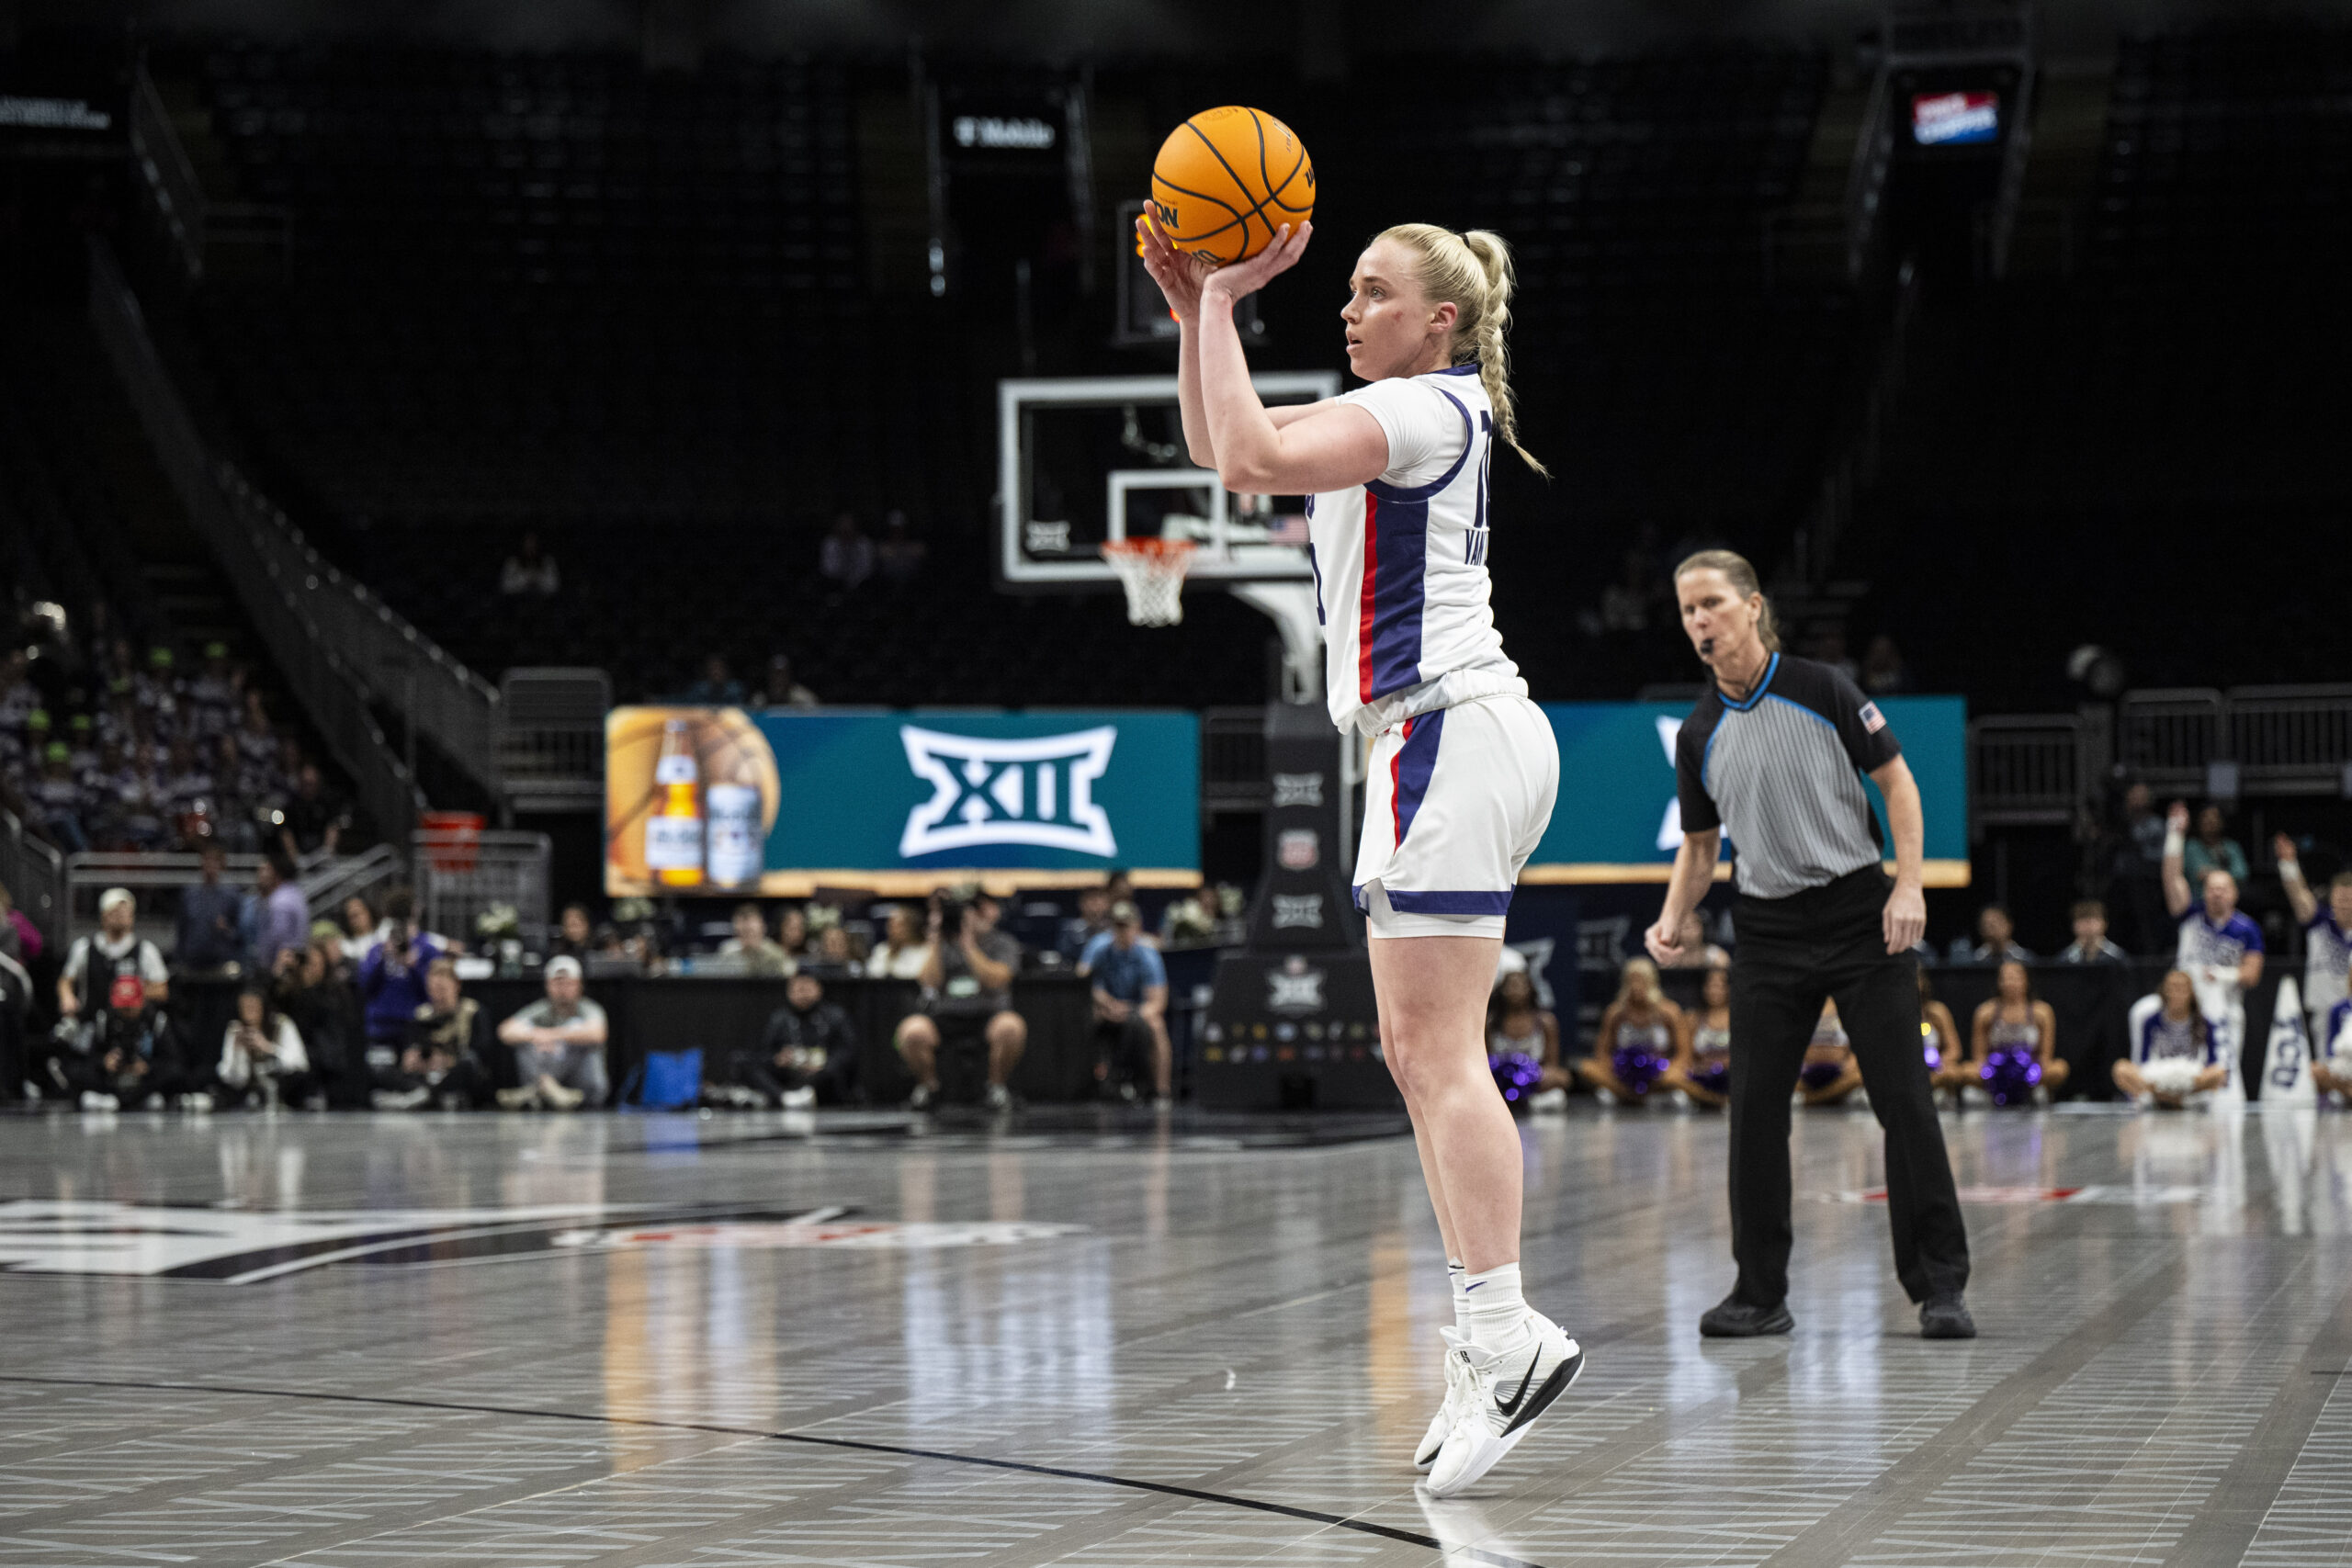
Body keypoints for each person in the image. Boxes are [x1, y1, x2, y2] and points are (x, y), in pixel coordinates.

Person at [1138, 204, 1577, 1497]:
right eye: (1346, 289)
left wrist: (1223, 302)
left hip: (1450, 728)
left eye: (1371, 290)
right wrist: (1193, 315)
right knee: (1416, 1051)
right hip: (1434, 737)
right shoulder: (1410, 412)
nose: (1347, 306)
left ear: (1439, 319)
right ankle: (1487, 1328)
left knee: (1438, 1054)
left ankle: (1506, 1332)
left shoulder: (1431, 408)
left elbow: (1260, 454)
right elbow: (1232, 455)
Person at [1646, 547, 1973, 1343]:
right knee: (1754, 1113)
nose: (1700, 622)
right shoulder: (1698, 733)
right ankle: (1759, 1293)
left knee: (1904, 1101)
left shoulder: (1824, 689)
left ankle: (1938, 1287)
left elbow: (1897, 782)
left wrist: (1908, 885)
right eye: (1688, 610)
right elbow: (1698, 846)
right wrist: (1672, 917)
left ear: (1753, 607)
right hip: (1766, 927)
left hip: (1862, 911)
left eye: (1713, 604)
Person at [895, 893, 1027, 1111]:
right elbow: (928, 981)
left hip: (988, 1013)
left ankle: (996, 1088)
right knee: (911, 1031)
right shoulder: (943, 943)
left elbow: (997, 980)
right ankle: (929, 1089)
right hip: (946, 1015)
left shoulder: (1002, 943)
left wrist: (969, 947)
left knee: (1011, 1026)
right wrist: (936, 941)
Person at [2163, 801, 2264, 1029]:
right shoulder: (2190, 915)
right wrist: (2174, 834)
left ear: (2235, 894)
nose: (2217, 893)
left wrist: (2221, 975)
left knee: (2219, 1008)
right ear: (2204, 893)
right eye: (2212, 888)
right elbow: (2172, 880)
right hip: (2184, 1000)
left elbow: (2252, 974)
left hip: (2226, 1002)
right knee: (2141, 1012)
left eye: (2223, 889)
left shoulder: (2247, 928)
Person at [1080, 900, 1170, 1104]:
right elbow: (1083, 983)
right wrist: (1106, 1004)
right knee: (1085, 1017)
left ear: (1137, 927)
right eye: (1118, 926)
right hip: (1105, 1012)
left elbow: (1158, 1001)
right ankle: (1087, 1086)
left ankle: (1161, 1091)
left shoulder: (1148, 955)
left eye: (1126, 926)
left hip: (1137, 1012)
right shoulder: (1099, 948)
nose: (1122, 932)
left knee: (1156, 1025)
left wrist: (1132, 1012)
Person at [377, 957, 494, 1111]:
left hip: (455, 1073)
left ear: (456, 985)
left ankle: (423, 1096)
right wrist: (413, 1058)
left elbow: (481, 1051)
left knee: (469, 1065)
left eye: (442, 989)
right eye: (433, 989)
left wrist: (449, 1061)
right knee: (381, 1068)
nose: (437, 996)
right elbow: (409, 1049)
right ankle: (427, 1095)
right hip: (425, 1075)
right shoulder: (421, 1015)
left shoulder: (472, 1011)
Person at [495, 956, 609, 1110]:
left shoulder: (589, 1008)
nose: (563, 989)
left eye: (568, 983)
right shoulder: (541, 1009)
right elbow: (505, 1031)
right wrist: (535, 1035)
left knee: (578, 1029)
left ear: (579, 985)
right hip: (550, 1073)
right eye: (557, 983)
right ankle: (545, 1088)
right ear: (547, 985)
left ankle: (549, 1092)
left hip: (584, 1087)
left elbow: (598, 1034)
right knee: (525, 1034)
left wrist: (552, 1035)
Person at [1576, 958, 1695, 1104]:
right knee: (1586, 1068)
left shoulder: (1670, 1011)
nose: (1636, 986)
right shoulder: (1615, 1013)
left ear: (1652, 982)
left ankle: (1627, 1096)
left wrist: (1669, 1069)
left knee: (1677, 1076)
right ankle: (1637, 1097)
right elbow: (1602, 1052)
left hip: (1658, 1073)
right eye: (1632, 981)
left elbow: (1684, 1054)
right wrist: (1617, 1069)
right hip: (1624, 1073)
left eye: (1642, 981)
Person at [357, 889, 444, 1078]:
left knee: (414, 1073)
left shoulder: (427, 949)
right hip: (381, 1025)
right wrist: (383, 959)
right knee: (379, 1075)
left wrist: (412, 966)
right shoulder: (377, 949)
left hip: (415, 1026)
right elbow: (365, 988)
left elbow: (434, 994)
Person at [745, 972, 861, 1108]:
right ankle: (784, 1098)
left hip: (821, 1077)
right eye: (798, 990)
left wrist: (824, 1065)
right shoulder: (780, 1019)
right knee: (743, 1061)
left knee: (835, 1072)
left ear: (818, 989)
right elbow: (765, 1052)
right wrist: (778, 1058)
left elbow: (847, 1050)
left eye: (807, 989)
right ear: (789, 992)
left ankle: (803, 1096)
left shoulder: (835, 1016)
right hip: (789, 1074)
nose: (803, 995)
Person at [1959, 960, 2066, 1105]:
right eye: (2006, 978)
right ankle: (1991, 1092)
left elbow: (2046, 1055)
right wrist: (1989, 1071)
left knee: (2060, 1068)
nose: (2011, 983)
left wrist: (2034, 1071)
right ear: (1999, 982)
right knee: (1966, 1070)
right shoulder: (1985, 1012)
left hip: (2029, 1070)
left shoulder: (2042, 1012)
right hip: (1995, 1070)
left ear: (2026, 981)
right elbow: (1979, 1055)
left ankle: (2033, 1091)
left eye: (2016, 977)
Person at [2116, 969, 2228, 1107]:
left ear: (2191, 993)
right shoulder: (2151, 1021)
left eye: (2182, 989)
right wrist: (2155, 1077)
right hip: (2159, 1076)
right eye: (2172, 988)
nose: (2177, 994)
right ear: (2164, 991)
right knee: (2121, 1068)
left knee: (2219, 1073)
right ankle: (2174, 1101)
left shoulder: (2204, 1023)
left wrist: (2195, 1076)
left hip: (2190, 1077)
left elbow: (2212, 1062)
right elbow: (2143, 1060)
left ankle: (2166, 1100)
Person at [59, 887, 171, 1022]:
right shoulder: (84, 947)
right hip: (91, 1021)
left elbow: (162, 990)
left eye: (126, 911)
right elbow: (65, 980)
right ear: (104, 915)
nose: (121, 915)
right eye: (115, 911)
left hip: (131, 1024)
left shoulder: (145, 950)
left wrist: (133, 992)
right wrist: (67, 997)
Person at [2275, 836, 2352, 1032]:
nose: (2344, 903)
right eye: (2340, 897)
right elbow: (2299, 896)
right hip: (2324, 1010)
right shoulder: (2319, 922)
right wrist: (2288, 864)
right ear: (2331, 898)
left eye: (2349, 898)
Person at [215, 981, 314, 1110]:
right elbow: (234, 1078)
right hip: (249, 1096)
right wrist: (237, 1051)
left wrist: (268, 1047)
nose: (248, 1012)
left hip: (284, 1089)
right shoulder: (235, 1030)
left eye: (252, 1006)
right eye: (243, 1007)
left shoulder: (282, 1025)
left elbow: (300, 1063)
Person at [1487, 968, 1568, 1110]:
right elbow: (1484, 1061)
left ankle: (1520, 1101)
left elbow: (1552, 1064)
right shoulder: (1490, 1023)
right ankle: (1518, 1101)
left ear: (1530, 988)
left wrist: (1528, 1076)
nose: (1515, 991)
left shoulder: (1546, 1022)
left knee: (1562, 1078)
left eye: (1520, 986)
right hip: (1499, 1079)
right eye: (1510, 986)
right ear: (1502, 990)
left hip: (1533, 1078)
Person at [175, 842, 246, 971]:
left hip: (222, 958)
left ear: (221, 865)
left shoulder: (232, 894)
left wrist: (226, 929)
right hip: (193, 958)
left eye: (214, 862)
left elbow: (240, 932)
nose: (210, 866)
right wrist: (180, 957)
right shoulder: (189, 893)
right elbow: (182, 927)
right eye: (207, 861)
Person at [247, 852, 310, 974]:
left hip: (280, 964)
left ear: (276, 874)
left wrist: (267, 963)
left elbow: (278, 936)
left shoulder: (279, 900)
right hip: (297, 958)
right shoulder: (297, 894)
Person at [1794, 998, 1863, 1106]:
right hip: (1803, 1070)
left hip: (1842, 1072)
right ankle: (1823, 1097)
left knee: (1865, 1069)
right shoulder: (1801, 1001)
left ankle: (1813, 1098)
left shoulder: (1850, 1002)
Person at [1683, 964, 1733, 1106]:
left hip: (1732, 1075)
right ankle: (1714, 1099)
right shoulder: (1692, 1018)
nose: (1714, 991)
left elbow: (1746, 1053)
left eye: (1719, 986)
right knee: (1675, 1078)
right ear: (1703, 988)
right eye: (1710, 986)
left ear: (1728, 989)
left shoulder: (1739, 1018)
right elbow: (1686, 1055)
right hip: (1702, 1076)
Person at [718, 902, 794, 976]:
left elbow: (789, 974)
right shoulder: (727, 951)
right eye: (743, 933)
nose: (748, 938)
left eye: (751, 933)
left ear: (763, 928)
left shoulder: (775, 953)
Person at [2182, 804, 2249, 887]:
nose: (2210, 821)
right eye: (2205, 817)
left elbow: (2241, 873)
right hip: (2199, 896)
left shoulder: (2231, 846)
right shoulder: (2191, 847)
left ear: (2222, 822)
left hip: (2228, 896)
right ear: (2199, 822)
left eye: (2214, 817)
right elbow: (2198, 874)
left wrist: (2211, 872)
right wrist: (2227, 873)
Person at [1917, 968, 1963, 1089]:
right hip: (1906, 1070)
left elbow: (1954, 1050)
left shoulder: (1938, 1012)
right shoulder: (1893, 1014)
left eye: (1915, 979)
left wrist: (1937, 1064)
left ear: (1923, 982)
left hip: (1935, 1070)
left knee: (1952, 1072)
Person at [867, 905, 933, 980]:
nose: (893, 930)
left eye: (900, 925)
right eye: (891, 926)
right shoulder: (882, 950)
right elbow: (873, 975)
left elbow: (924, 978)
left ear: (913, 926)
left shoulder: (927, 950)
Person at [2057, 899, 2130, 964]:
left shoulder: (2117, 956)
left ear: (2104, 924)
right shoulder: (2065, 958)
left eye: (2093, 920)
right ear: (2073, 925)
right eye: (2082, 920)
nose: (2088, 925)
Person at [819, 511, 874, 590]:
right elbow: (828, 569)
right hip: (835, 584)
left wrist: (854, 581)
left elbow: (867, 570)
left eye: (849, 526)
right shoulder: (830, 543)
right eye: (843, 526)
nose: (846, 529)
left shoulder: (864, 544)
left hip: (860, 585)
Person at [1964, 904, 2033, 964]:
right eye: (1986, 924)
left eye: (1995, 924)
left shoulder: (2024, 959)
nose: (1990, 929)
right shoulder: (1976, 960)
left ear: (2009, 925)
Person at [499, 531, 560, 596]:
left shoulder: (547, 561)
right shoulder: (512, 562)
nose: (531, 547)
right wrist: (526, 577)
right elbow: (506, 586)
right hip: (517, 601)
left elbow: (554, 586)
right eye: (528, 543)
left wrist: (536, 577)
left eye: (533, 543)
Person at [340, 893, 385, 960]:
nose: (357, 920)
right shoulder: (348, 947)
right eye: (353, 916)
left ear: (368, 911)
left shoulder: (385, 928)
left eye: (359, 913)